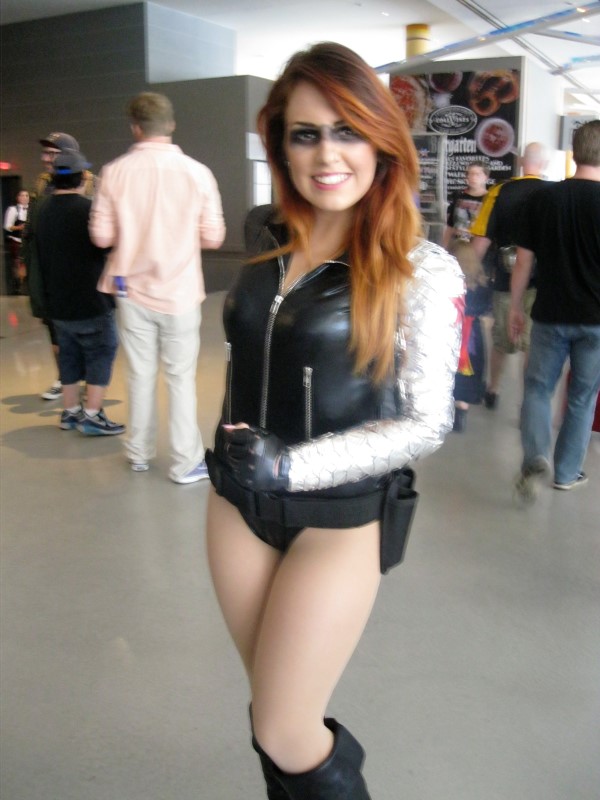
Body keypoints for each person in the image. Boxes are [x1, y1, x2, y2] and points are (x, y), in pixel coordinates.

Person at [205, 43, 464, 799]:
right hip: (235, 508)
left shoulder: (419, 267)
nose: (327, 155)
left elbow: (426, 423)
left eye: (348, 130)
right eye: (306, 134)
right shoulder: (266, 243)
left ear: (381, 141)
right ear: (281, 145)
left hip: (338, 517)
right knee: (271, 715)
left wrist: (289, 467)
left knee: (287, 728)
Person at [90, 92, 225, 483]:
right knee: (180, 378)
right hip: (179, 291)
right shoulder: (198, 173)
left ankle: (138, 452)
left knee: (139, 373)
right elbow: (213, 237)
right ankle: (185, 463)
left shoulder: (114, 172)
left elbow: (101, 237)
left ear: (135, 127)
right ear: (171, 125)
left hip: (129, 289)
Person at [510, 120, 600, 502]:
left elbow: (523, 260)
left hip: (550, 313)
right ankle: (566, 473)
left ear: (574, 151)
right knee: (582, 397)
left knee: (537, 388)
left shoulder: (543, 199)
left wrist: (515, 306)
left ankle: (535, 456)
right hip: (596, 320)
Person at [34, 149, 124, 435]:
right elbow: (110, 246)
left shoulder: (41, 211)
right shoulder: (89, 210)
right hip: (91, 301)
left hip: (57, 303)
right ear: (82, 177)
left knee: (69, 356)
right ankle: (93, 415)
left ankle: (70, 412)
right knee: (101, 351)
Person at [470, 142, 550, 409]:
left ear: (521, 162)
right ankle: (529, 400)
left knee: (502, 340)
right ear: (545, 164)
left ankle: (493, 389)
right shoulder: (553, 192)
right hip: (544, 283)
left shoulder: (499, 191)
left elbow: (482, 239)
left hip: (506, 278)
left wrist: (467, 274)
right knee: (533, 344)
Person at [22, 131, 96, 401]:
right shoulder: (41, 187)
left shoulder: (91, 185)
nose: (46, 158)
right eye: (46, 153)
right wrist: (26, 264)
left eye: (53, 153)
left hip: (82, 272)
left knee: (89, 330)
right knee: (54, 330)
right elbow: (30, 230)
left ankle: (91, 381)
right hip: (49, 272)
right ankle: (65, 378)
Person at [443, 161, 491, 431]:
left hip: (474, 259)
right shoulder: (458, 198)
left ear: (486, 176)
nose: (472, 177)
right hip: (456, 253)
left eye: (477, 173)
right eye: (469, 173)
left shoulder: (490, 200)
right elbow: (450, 226)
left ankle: (460, 402)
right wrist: (443, 251)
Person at [3, 189, 29, 295]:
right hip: (16, 240)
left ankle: (25, 284)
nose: (24, 198)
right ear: (17, 198)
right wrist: (19, 227)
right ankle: (18, 285)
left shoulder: (31, 210)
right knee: (18, 262)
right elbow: (7, 226)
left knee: (27, 262)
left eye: (26, 195)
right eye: (22, 195)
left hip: (28, 241)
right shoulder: (13, 210)